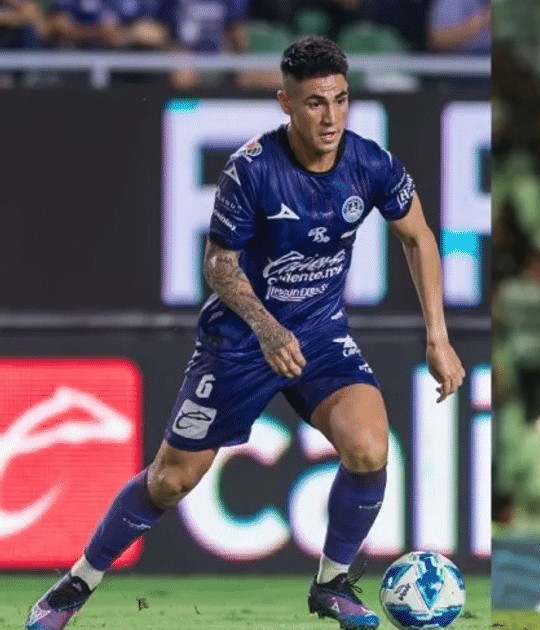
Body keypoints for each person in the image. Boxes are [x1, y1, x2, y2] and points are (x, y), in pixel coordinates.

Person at [26, 35, 465, 630]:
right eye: (314, 102)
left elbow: (418, 236)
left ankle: (332, 585)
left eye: (339, 99)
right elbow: (218, 264)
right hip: (239, 342)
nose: (330, 117)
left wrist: (437, 337)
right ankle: (76, 584)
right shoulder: (253, 169)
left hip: (319, 332)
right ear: (285, 102)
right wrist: (265, 327)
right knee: (170, 481)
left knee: (369, 446)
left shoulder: (371, 164)